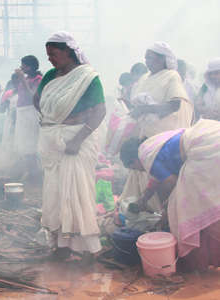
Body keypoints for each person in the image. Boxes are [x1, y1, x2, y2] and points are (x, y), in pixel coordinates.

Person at [34, 31, 106, 263]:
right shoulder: (49, 76)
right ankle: (61, 245)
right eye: (48, 55)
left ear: (68, 52)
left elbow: (99, 111)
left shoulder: (87, 77)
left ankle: (88, 249)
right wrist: (50, 119)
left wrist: (76, 139)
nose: (50, 59)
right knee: (55, 193)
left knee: (77, 193)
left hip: (77, 142)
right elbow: (38, 99)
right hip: (53, 141)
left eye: (53, 54)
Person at [119, 119, 220, 272]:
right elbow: (158, 175)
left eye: (135, 168)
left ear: (134, 161)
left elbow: (169, 181)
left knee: (193, 209)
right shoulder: (152, 145)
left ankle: (195, 261)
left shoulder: (146, 157)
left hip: (206, 153)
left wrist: (167, 207)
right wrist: (143, 200)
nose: (140, 171)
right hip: (210, 138)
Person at [119, 42, 194, 212]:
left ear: (163, 59)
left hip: (164, 136)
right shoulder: (145, 79)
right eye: (146, 58)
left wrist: (145, 109)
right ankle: (146, 208)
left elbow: (175, 104)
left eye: (151, 58)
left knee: (162, 173)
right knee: (144, 171)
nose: (147, 62)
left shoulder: (171, 76)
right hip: (147, 133)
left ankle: (166, 210)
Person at [14, 55, 42, 181]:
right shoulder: (25, 78)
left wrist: (22, 79)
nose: (22, 67)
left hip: (31, 112)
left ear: (30, 67)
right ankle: (30, 171)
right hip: (22, 113)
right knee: (24, 143)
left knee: (31, 143)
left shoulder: (38, 79)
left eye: (24, 65)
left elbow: (33, 96)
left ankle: (34, 173)